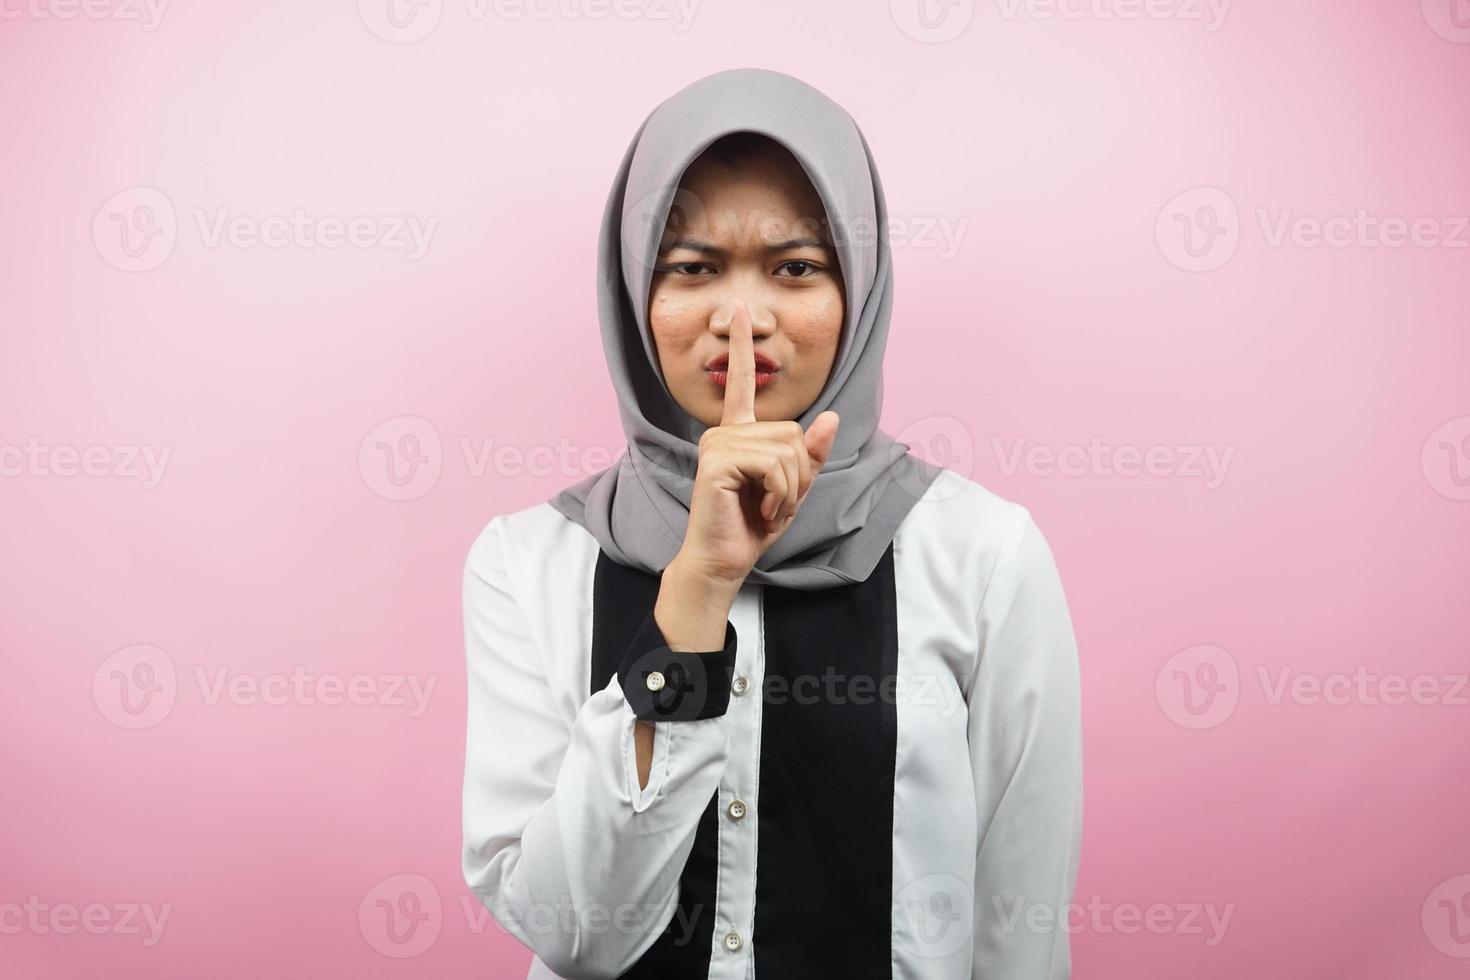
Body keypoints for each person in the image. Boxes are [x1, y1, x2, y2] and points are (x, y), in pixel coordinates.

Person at [461, 67, 1083, 979]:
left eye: (795, 268)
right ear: (635, 294)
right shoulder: (529, 562)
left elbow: (1018, 934)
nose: (741, 320)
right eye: (693, 268)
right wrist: (696, 590)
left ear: (859, 290)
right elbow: (572, 934)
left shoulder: (982, 556)